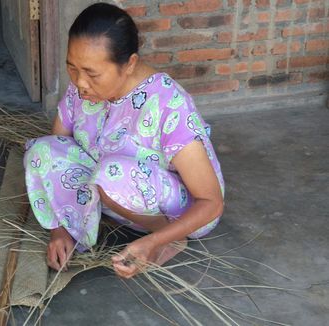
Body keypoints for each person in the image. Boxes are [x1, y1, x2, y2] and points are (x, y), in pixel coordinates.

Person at [23, 3, 224, 279]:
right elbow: (58, 149)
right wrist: (61, 227)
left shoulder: (168, 104)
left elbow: (210, 202)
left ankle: (167, 237)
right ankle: (92, 215)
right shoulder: (82, 87)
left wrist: (154, 241)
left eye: (92, 73)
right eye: (72, 68)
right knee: (41, 150)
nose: (80, 83)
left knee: (109, 174)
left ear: (129, 64)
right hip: (110, 189)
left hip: (180, 209)